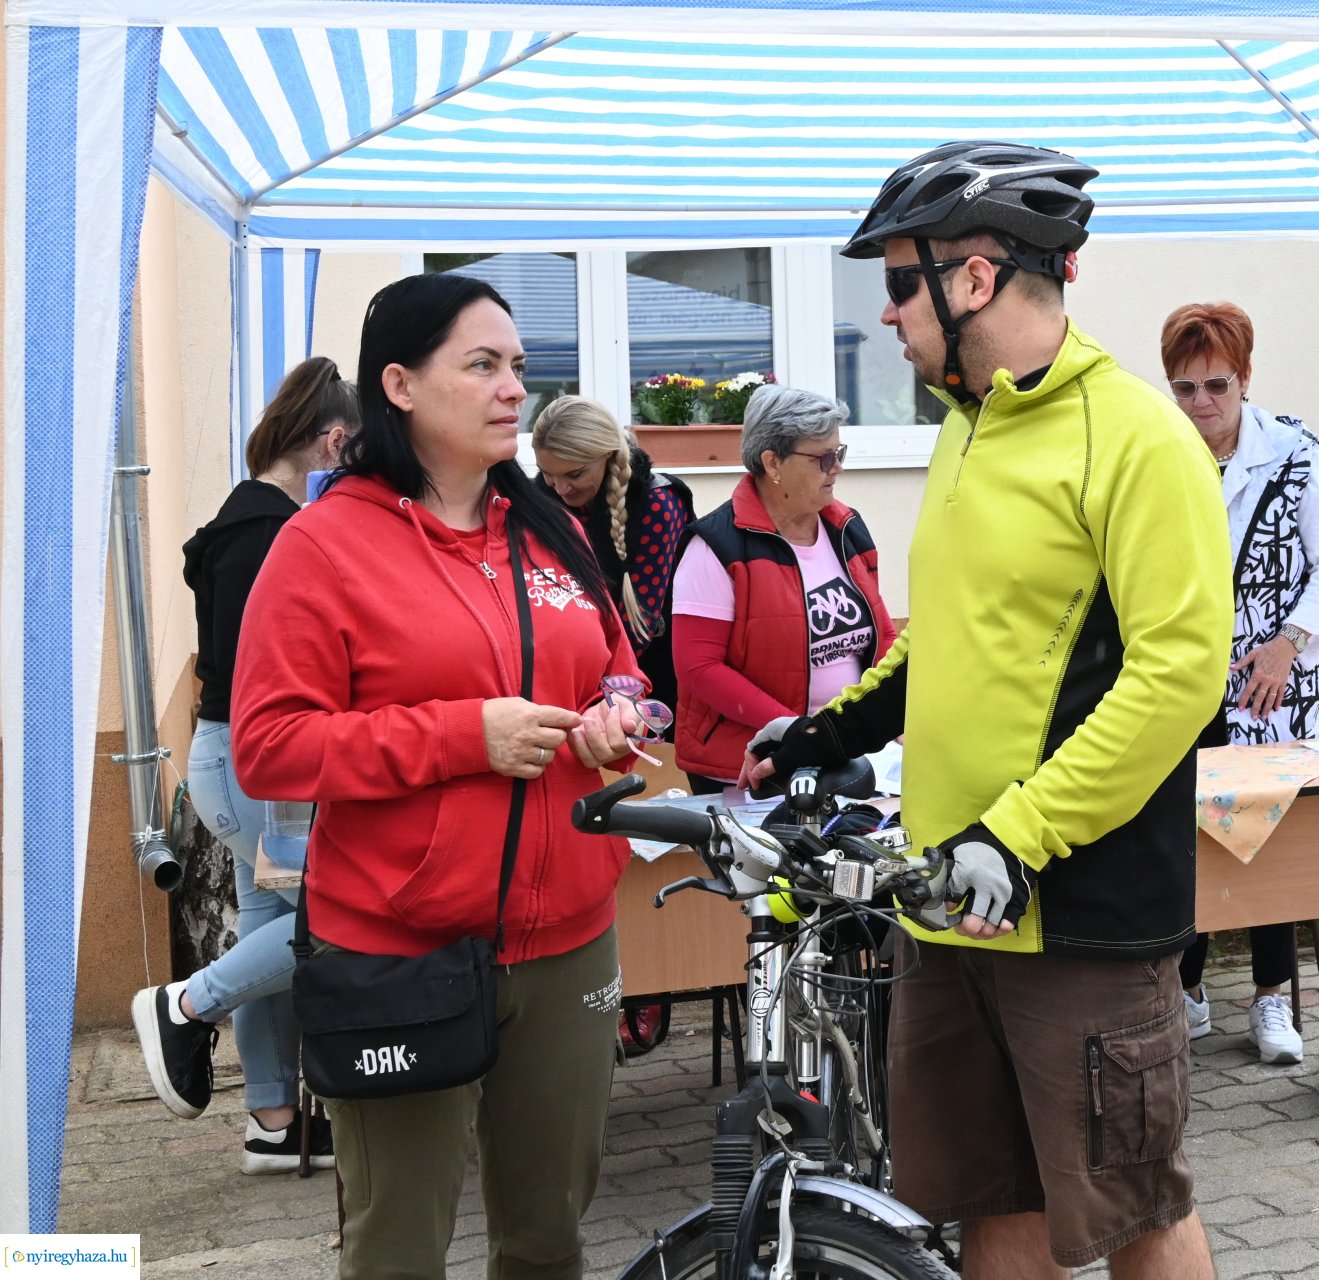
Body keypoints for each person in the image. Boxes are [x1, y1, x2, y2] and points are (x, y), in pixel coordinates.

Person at [749, 141, 1230, 1279]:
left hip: (1078, 905)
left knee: (1133, 1209)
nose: (888, 306)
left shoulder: (1138, 436)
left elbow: (1177, 675)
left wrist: (1018, 832)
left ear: (974, 278)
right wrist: (831, 731)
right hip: (947, 898)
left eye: (903, 279)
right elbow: (952, 640)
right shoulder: (968, 423)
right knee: (988, 1200)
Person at [229, 273, 644, 1278]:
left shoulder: (554, 528)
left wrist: (620, 714)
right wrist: (466, 735)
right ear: (402, 384)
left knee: (548, 1240)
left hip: (569, 945)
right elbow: (271, 744)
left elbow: (626, 668)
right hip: (398, 949)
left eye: (518, 367)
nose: (514, 390)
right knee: (398, 1248)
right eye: (483, 365)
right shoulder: (322, 543)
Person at [131, 355, 356, 1172]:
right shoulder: (271, 532)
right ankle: (184, 1004)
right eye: (355, 451)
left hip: (234, 756)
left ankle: (272, 1122)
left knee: (270, 925)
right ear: (333, 440)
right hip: (254, 762)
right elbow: (264, 665)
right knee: (330, 917)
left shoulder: (243, 516)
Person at [1159, 302, 1319, 1066]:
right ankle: (1190, 991)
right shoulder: (1161, 452)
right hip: (1188, 680)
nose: (1201, 404)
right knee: (1190, 838)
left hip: (1275, 679)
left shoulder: (1295, 452)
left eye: (1215, 385)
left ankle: (1273, 999)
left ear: (1244, 379)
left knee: (1265, 841)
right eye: (1184, 389)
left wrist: (1289, 643)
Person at [670, 384, 898, 794]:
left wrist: (890, 716)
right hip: (749, 766)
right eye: (824, 458)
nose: (837, 468)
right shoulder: (715, 546)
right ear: (772, 462)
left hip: (839, 754)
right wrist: (799, 733)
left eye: (839, 454)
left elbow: (883, 635)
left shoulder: (845, 528)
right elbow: (698, 668)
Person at [531, 395, 694, 709]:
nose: (561, 489)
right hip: (575, 674)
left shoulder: (657, 503)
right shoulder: (543, 497)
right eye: (548, 473)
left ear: (607, 455)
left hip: (650, 674)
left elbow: (640, 623)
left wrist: (584, 688)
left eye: (575, 474)